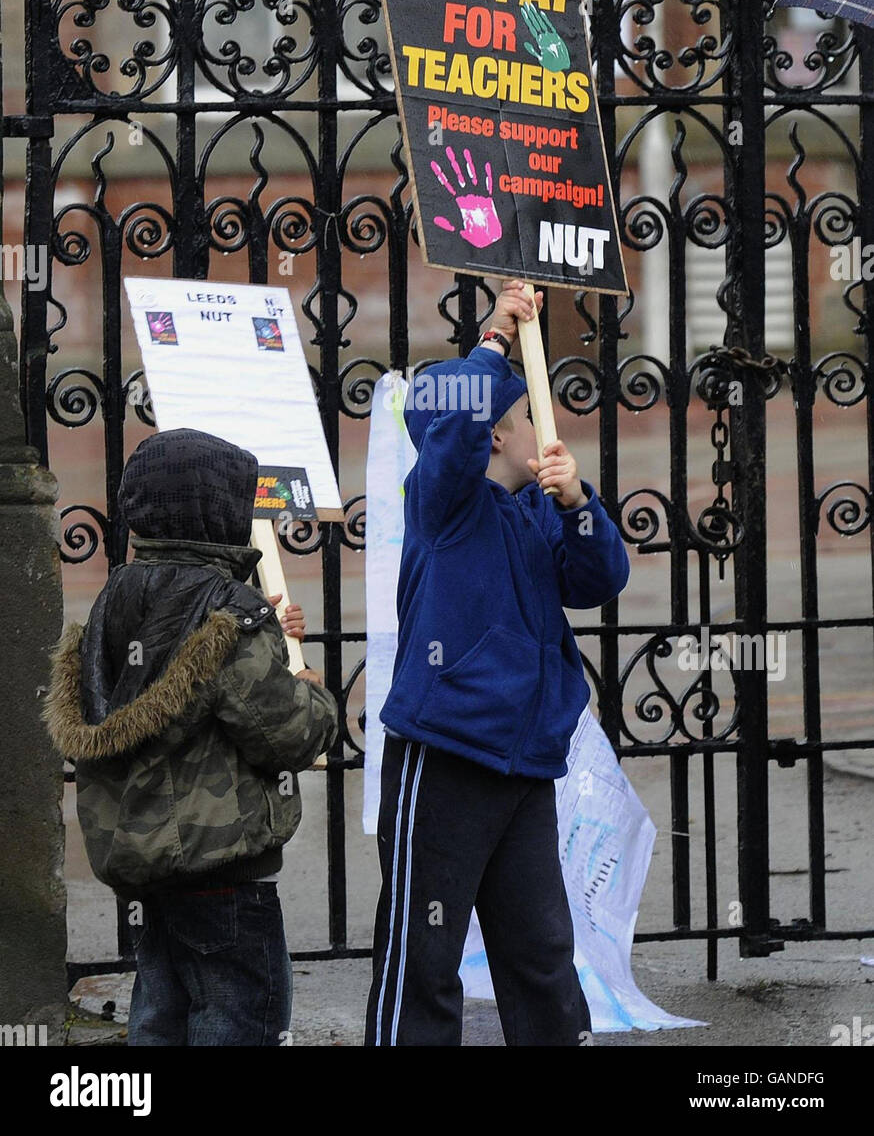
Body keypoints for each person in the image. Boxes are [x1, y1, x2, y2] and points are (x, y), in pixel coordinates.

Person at [365, 279, 630, 1047]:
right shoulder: (443, 501)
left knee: (541, 953)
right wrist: (496, 337)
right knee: (424, 955)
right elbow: (450, 418)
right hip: (449, 754)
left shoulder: (537, 509)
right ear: (492, 437)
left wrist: (579, 506)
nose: (545, 426)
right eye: (528, 415)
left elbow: (599, 580)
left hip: (525, 763)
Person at [43, 428, 337, 1046]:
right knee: (240, 1015)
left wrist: (260, 627)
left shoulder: (116, 594)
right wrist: (309, 689)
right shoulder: (226, 609)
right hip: (221, 862)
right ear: (215, 512)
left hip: (146, 862)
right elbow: (285, 734)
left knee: (161, 1012)